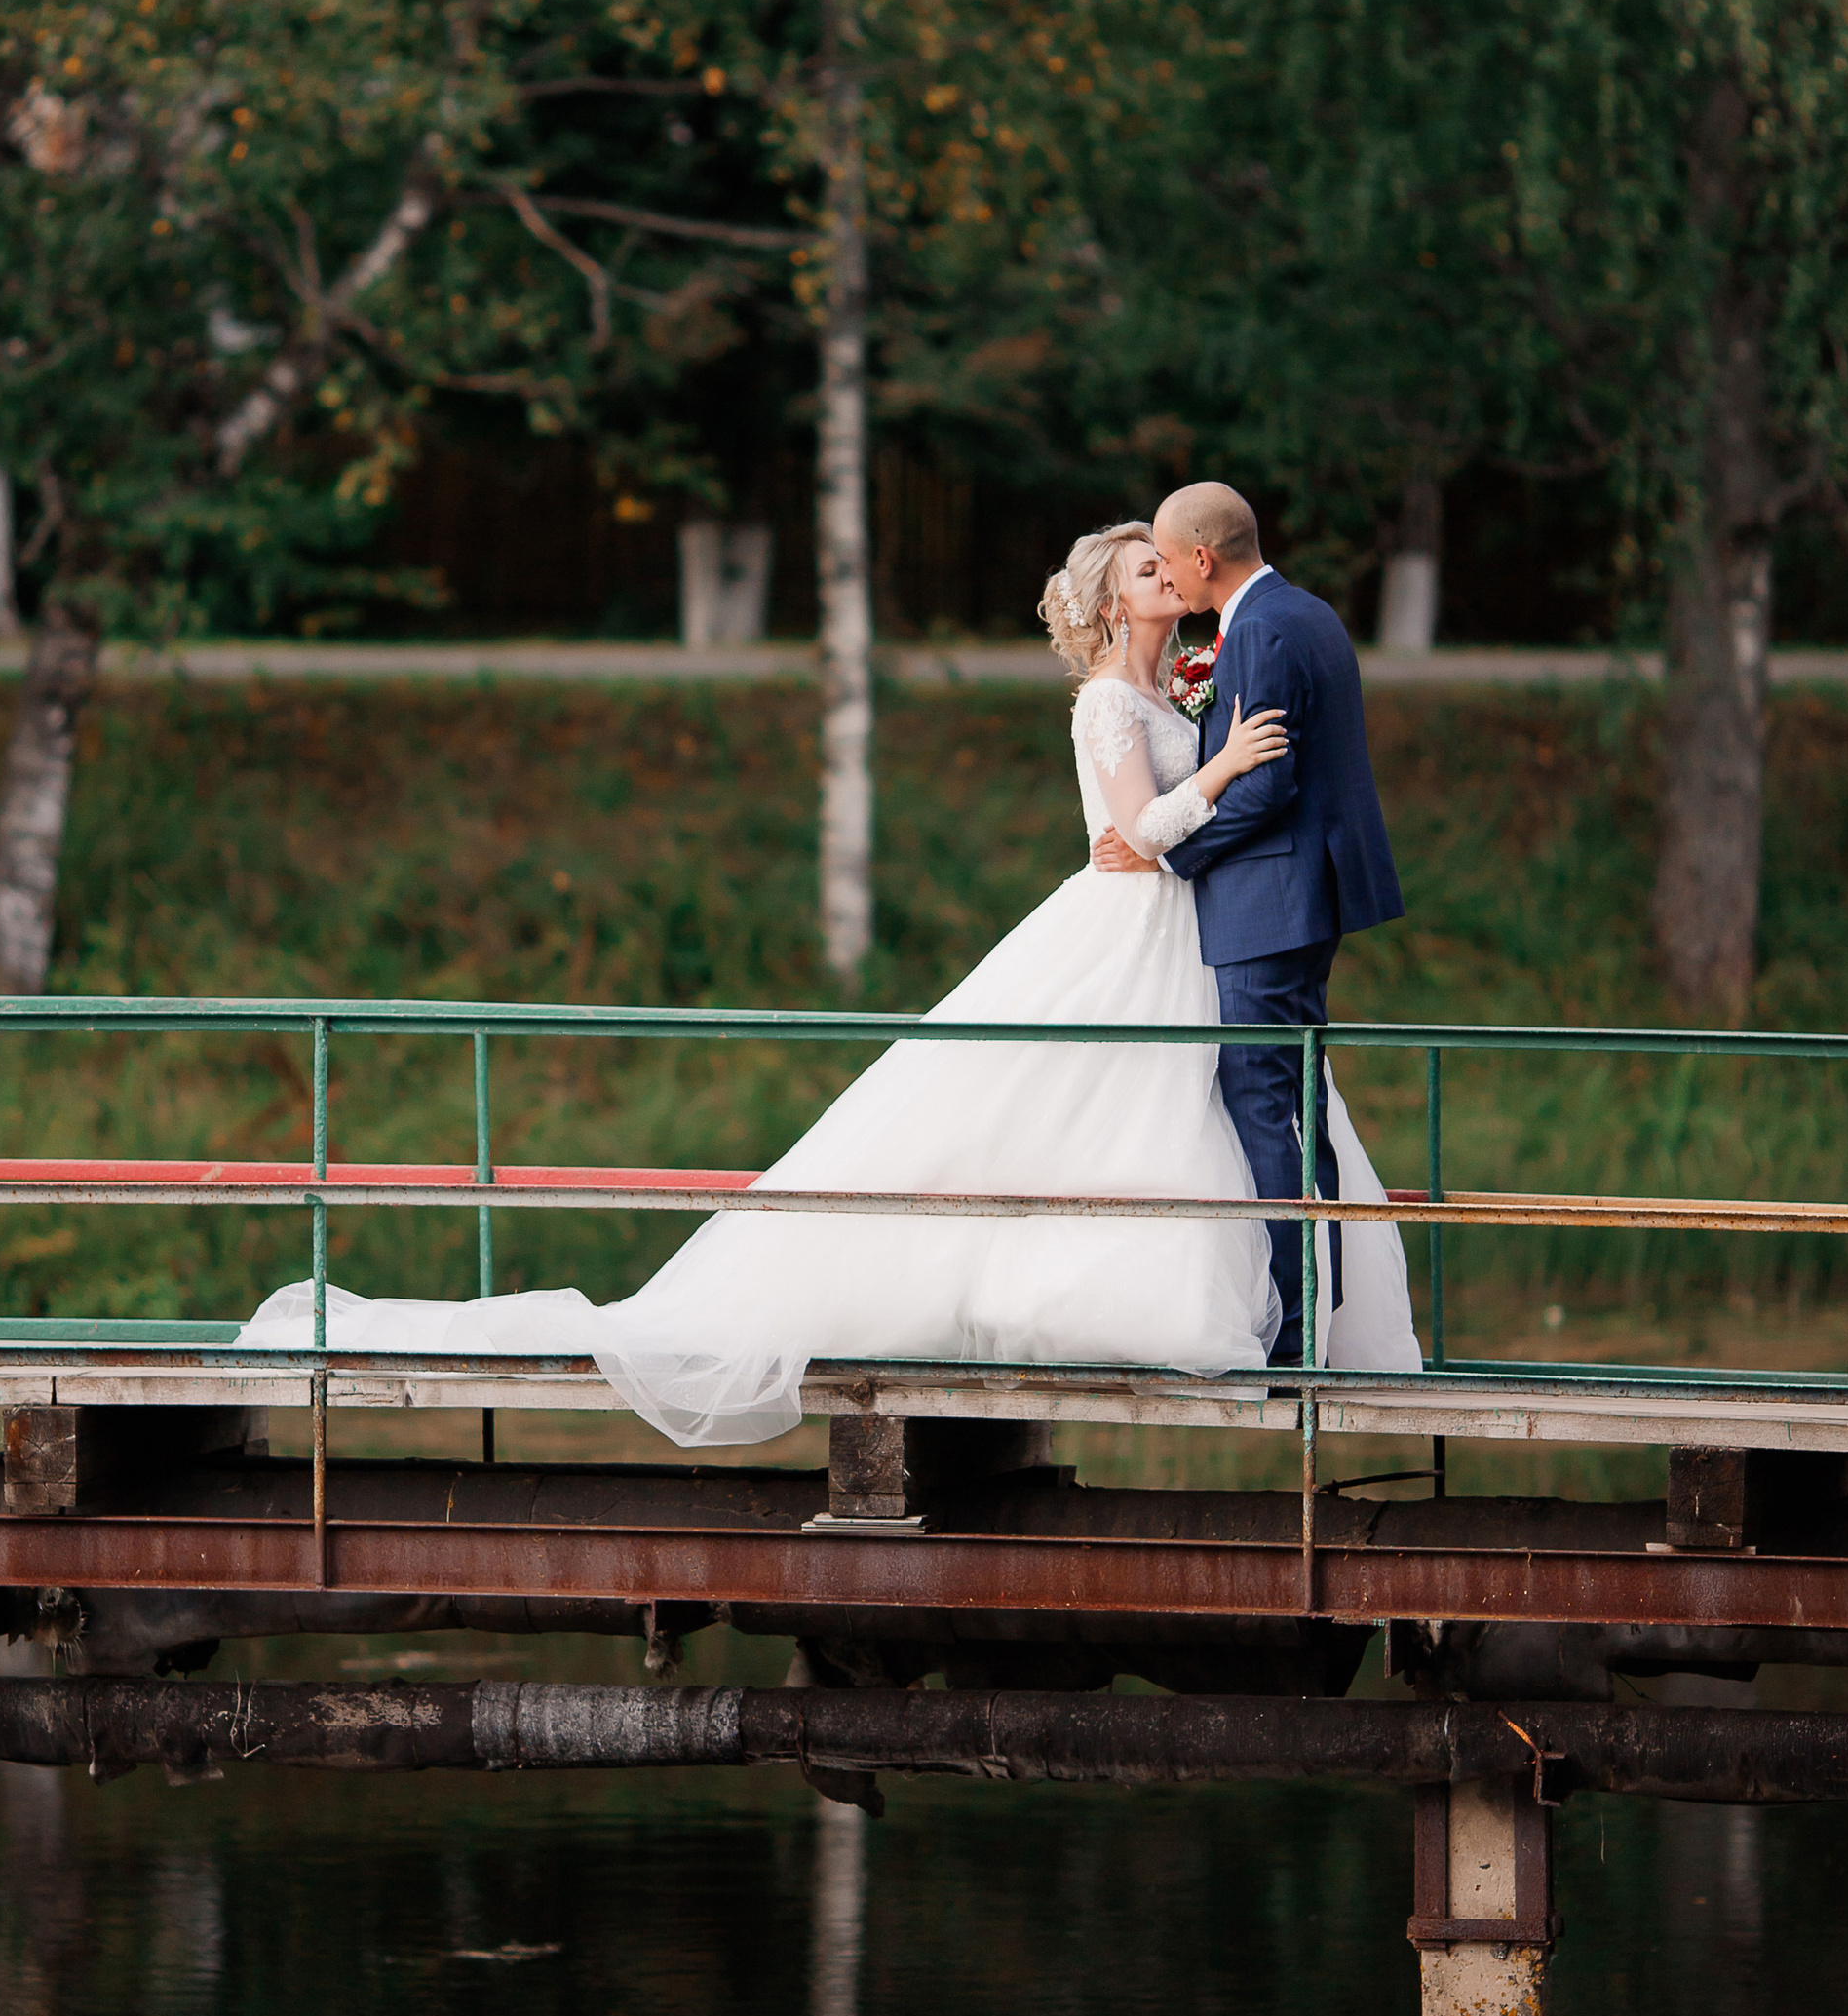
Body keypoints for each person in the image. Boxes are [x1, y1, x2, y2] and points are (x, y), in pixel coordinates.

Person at [240, 514, 1419, 1445]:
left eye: (1171, 565)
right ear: (1117, 597)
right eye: (1148, 568)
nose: (1169, 576)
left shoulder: (1176, 688)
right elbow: (1125, 834)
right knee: (1084, 1108)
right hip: (1127, 916)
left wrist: (1204, 755)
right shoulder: (1111, 700)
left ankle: (1246, 1307)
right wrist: (1217, 776)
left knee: (1185, 1107)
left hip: (1177, 929)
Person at [1092, 480, 1405, 1360]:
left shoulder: (1259, 629)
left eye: (1169, 559)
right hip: (1297, 899)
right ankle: (1319, 1310)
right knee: (1293, 1101)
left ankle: (1301, 1328)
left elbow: (1267, 782)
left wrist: (1171, 853)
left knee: (1265, 1103)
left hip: (1269, 903)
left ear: (1202, 558)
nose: (1169, 579)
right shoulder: (1306, 613)